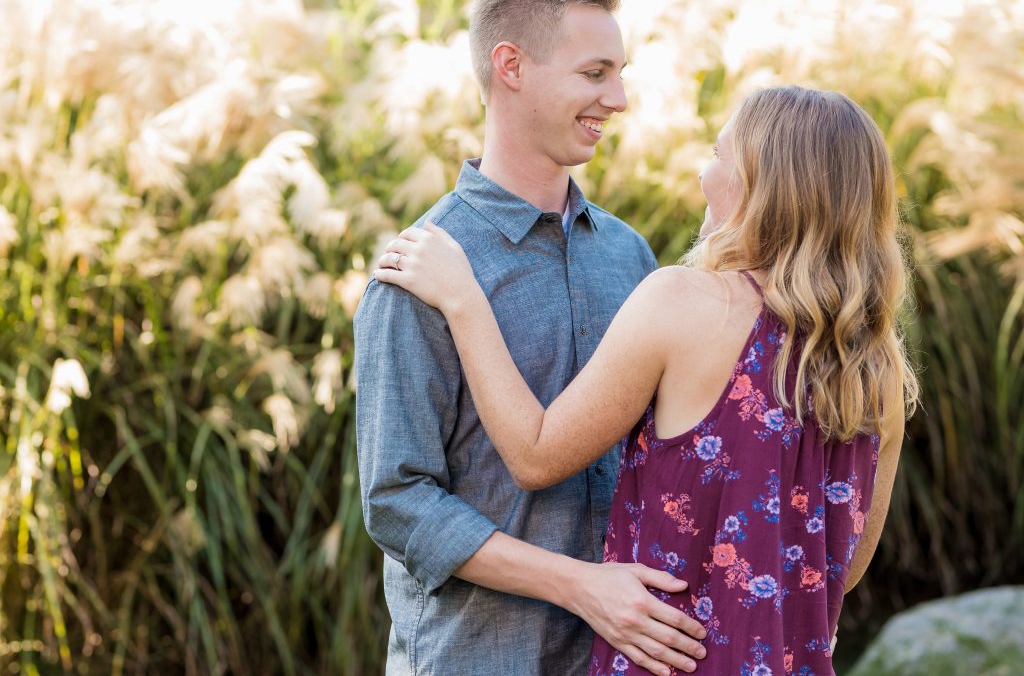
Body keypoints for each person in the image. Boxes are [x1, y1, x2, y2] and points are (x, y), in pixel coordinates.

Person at [373, 85, 919, 676]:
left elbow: (534, 455)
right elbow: (840, 563)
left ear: (764, 185)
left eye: (718, 155)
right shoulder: (881, 370)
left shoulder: (683, 301)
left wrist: (462, 301)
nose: (704, 176)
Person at [354, 0, 708, 676]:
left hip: (620, 659)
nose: (620, 97)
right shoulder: (420, 270)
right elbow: (397, 500)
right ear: (511, 66)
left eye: (621, 72)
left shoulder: (630, 256)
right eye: (595, 73)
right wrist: (579, 586)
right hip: (472, 659)